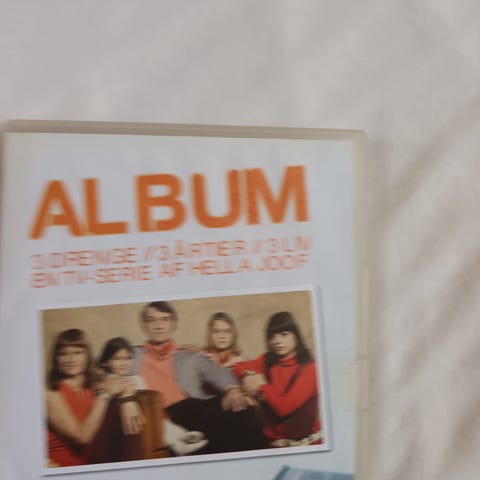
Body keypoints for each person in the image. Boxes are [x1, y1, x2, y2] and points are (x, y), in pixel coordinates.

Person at [132, 301, 267, 454]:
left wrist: (232, 389)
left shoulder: (188, 354)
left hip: (191, 408)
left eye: (165, 319)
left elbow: (215, 372)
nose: (158, 325)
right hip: (160, 413)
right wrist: (126, 399)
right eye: (151, 320)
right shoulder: (132, 356)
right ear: (144, 325)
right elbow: (113, 373)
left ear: (173, 324)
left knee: (243, 410)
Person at [97, 336, 207, 457]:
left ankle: (182, 437)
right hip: (129, 424)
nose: (123, 363)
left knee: (164, 421)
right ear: (105, 362)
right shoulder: (107, 380)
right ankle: (178, 444)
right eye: (117, 359)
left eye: (128, 358)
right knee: (160, 425)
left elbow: (150, 401)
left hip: (150, 417)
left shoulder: (137, 378)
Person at [233, 311, 322, 447]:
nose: (277, 341)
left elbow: (283, 408)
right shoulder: (268, 360)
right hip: (274, 443)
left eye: (284, 335)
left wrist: (261, 384)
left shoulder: (311, 369)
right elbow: (239, 366)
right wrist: (247, 375)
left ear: (296, 336)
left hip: (305, 443)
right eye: (272, 337)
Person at [46, 329, 129, 467]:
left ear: (87, 356)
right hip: (60, 466)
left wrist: (128, 399)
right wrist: (104, 395)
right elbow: (82, 437)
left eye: (78, 353)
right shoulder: (50, 393)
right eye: (63, 354)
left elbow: (124, 382)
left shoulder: (95, 384)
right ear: (56, 358)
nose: (70, 360)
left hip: (92, 466)